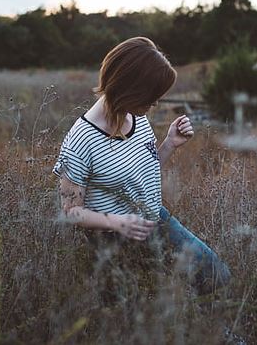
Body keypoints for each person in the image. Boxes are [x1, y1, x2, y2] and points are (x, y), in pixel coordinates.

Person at [52, 36, 231, 295]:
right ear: (128, 88)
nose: (155, 103)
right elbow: (71, 212)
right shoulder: (80, 140)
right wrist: (117, 223)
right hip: (114, 241)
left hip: (155, 218)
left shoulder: (135, 117)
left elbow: (142, 172)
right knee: (145, 309)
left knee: (214, 275)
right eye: (151, 96)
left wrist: (169, 144)